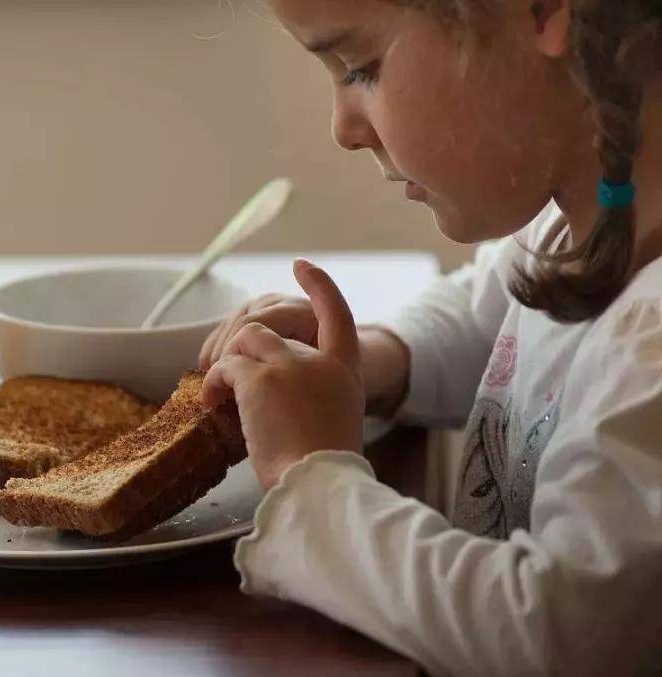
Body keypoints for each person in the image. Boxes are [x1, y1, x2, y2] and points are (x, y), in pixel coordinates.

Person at [198, 1, 662, 674]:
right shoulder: (583, 223)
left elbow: (557, 631)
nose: (343, 129)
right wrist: (377, 358)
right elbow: (485, 311)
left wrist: (314, 481)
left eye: (361, 67)